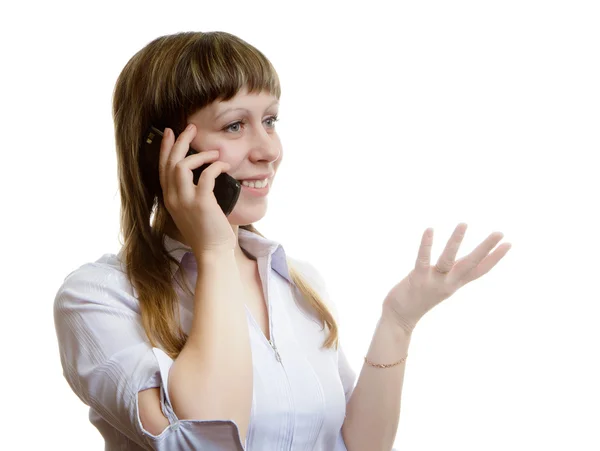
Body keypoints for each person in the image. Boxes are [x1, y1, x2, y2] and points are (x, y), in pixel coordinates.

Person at [54, 31, 511, 451]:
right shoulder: (98, 297)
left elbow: (358, 446)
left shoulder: (295, 282)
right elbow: (204, 439)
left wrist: (398, 321)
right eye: (235, 125)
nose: (269, 150)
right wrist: (213, 253)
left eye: (270, 120)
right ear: (162, 149)